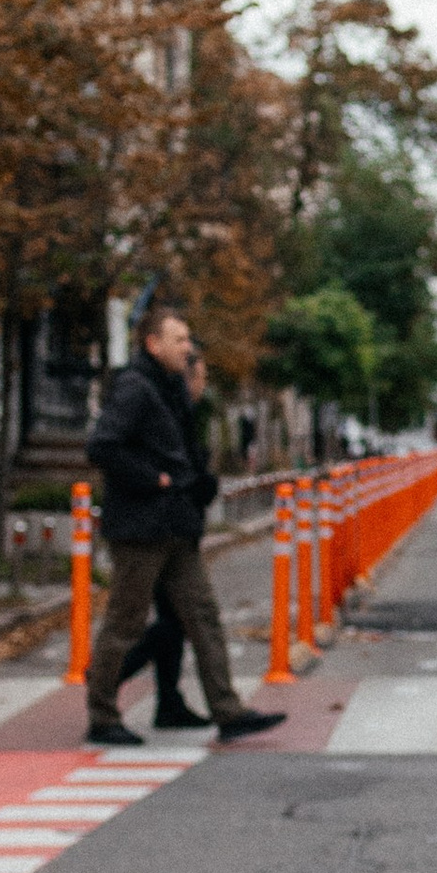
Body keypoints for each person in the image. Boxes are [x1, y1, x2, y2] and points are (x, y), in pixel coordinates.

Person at [84, 300, 284, 747]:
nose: (188, 348)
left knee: (204, 617)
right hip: (141, 528)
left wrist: (198, 482)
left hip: (176, 526)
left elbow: (179, 451)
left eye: (188, 339)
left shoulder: (171, 388)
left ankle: (228, 711)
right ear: (152, 343)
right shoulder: (135, 387)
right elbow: (103, 447)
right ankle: (102, 713)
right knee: (126, 620)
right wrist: (154, 479)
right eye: (179, 339)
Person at [116, 342, 220, 731]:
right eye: (202, 377)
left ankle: (168, 701)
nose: (203, 385)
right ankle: (111, 674)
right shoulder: (160, 405)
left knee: (173, 620)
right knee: (162, 620)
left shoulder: (183, 410)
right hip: (155, 529)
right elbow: (168, 468)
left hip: (173, 528)